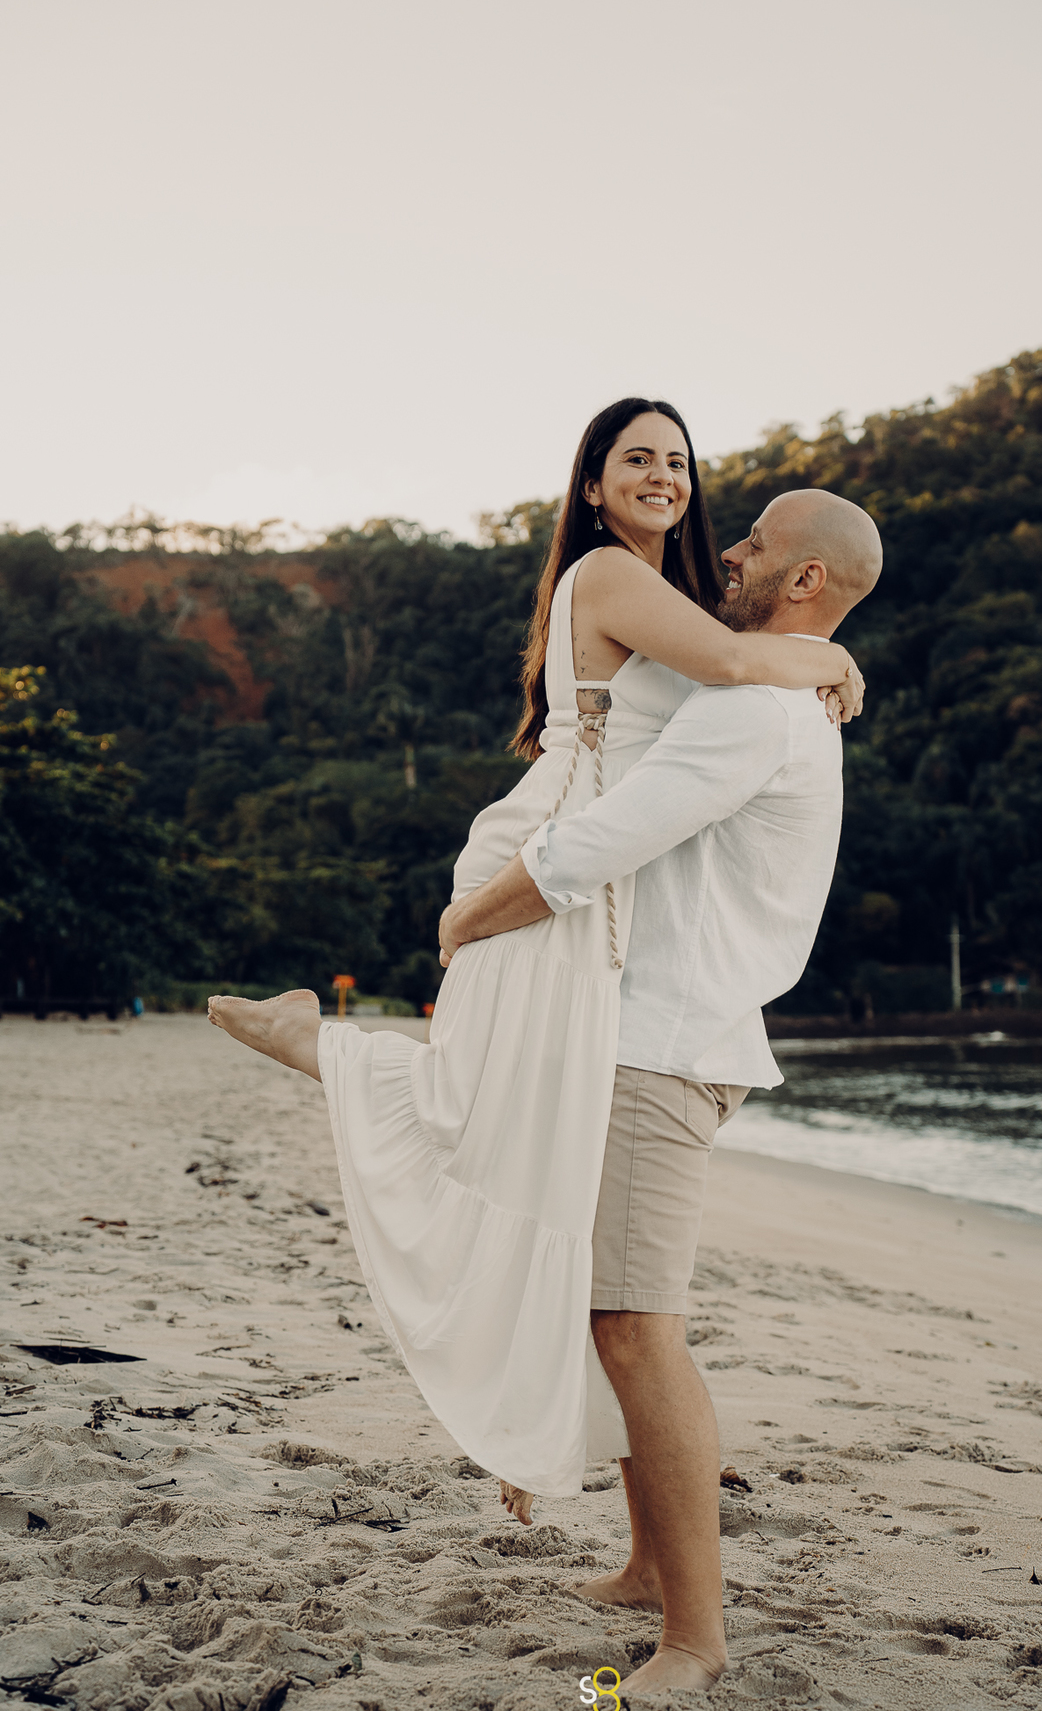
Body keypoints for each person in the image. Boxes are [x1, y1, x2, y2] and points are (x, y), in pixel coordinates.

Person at [205, 399, 861, 1522]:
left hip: (584, 876)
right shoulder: (610, 577)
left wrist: (810, 653)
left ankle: (314, 1045)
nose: (665, 477)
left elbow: (733, 656)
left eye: (678, 462)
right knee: (492, 1118)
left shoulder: (687, 605)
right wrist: (829, 654)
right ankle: (315, 1046)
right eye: (636, 459)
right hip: (553, 853)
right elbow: (731, 660)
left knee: (511, 1127)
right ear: (593, 485)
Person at [436, 484, 883, 1696]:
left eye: (750, 544)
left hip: (664, 1047)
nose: (724, 553)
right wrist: (830, 658)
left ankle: (695, 1635)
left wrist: (471, 921)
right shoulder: (784, 695)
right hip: (675, 1037)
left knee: (640, 1331)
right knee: (615, 1317)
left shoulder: (756, 708)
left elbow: (603, 841)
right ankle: (644, 1567)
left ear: (801, 581)